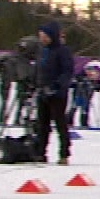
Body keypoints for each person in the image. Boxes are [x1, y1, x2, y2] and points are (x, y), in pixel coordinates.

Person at [33, 22, 74, 164]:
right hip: (43, 92)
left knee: (59, 122)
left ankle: (64, 153)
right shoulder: (42, 51)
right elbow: (39, 70)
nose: (42, 39)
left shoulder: (62, 51)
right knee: (42, 123)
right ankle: (40, 152)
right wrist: (35, 84)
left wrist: (57, 85)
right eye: (41, 36)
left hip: (57, 94)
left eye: (45, 36)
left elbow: (67, 71)